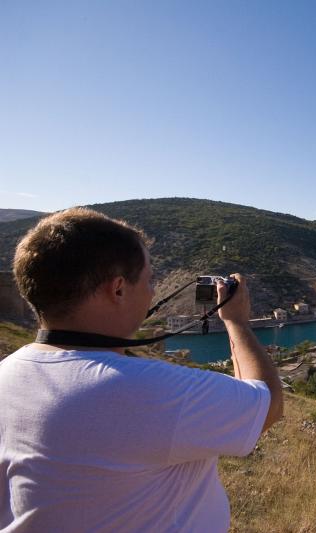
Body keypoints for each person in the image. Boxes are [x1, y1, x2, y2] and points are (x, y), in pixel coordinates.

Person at [0, 207, 284, 532]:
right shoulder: (149, 390)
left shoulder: (6, 375)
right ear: (118, 289)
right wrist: (236, 321)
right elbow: (268, 404)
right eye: (149, 280)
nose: (152, 293)